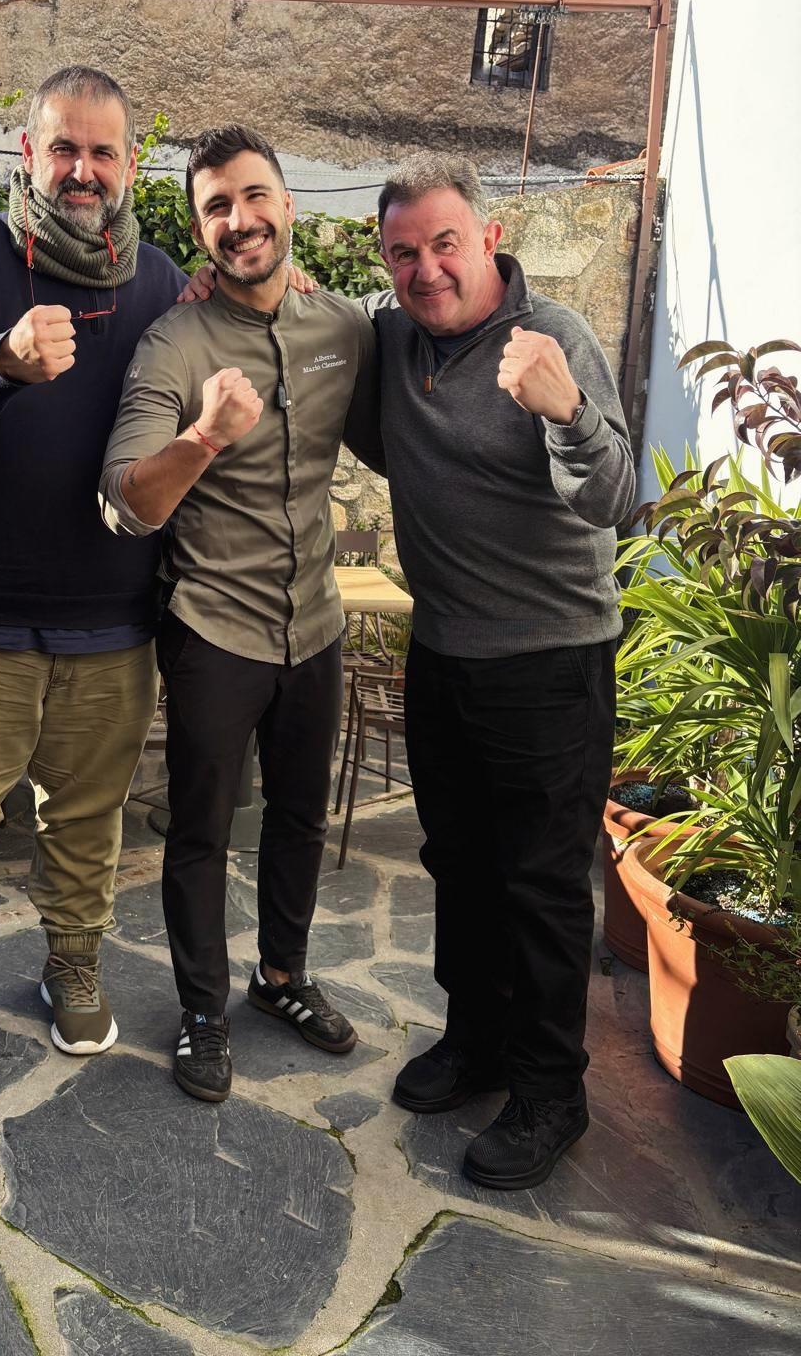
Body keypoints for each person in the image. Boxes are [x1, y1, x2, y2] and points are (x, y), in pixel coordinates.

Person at [0, 65, 188, 1078]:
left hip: (111, 616)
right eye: (64, 148)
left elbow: (233, 341)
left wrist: (290, 293)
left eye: (102, 151)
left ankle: (73, 965)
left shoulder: (161, 284)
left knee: (88, 821)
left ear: (132, 163)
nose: (82, 170)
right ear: (28, 152)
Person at [348, 153, 636, 1190]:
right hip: (444, 650)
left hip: (550, 660)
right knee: (461, 866)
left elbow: (615, 498)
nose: (427, 269)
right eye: (404, 253)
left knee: (542, 888)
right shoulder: (391, 340)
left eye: (445, 244)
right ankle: (474, 1039)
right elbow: (338, 377)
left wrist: (566, 411)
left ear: (490, 238)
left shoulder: (552, 338)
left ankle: (551, 1091)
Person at [99, 125, 379, 1103]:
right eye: (216, 206)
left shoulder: (343, 328)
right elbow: (125, 502)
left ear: (290, 206)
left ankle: (282, 977)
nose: (240, 219)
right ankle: (203, 1010)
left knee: (300, 816)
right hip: (214, 626)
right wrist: (206, 437)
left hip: (317, 623)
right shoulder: (174, 343)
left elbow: (405, 421)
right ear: (198, 229)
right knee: (202, 831)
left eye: (255, 196)